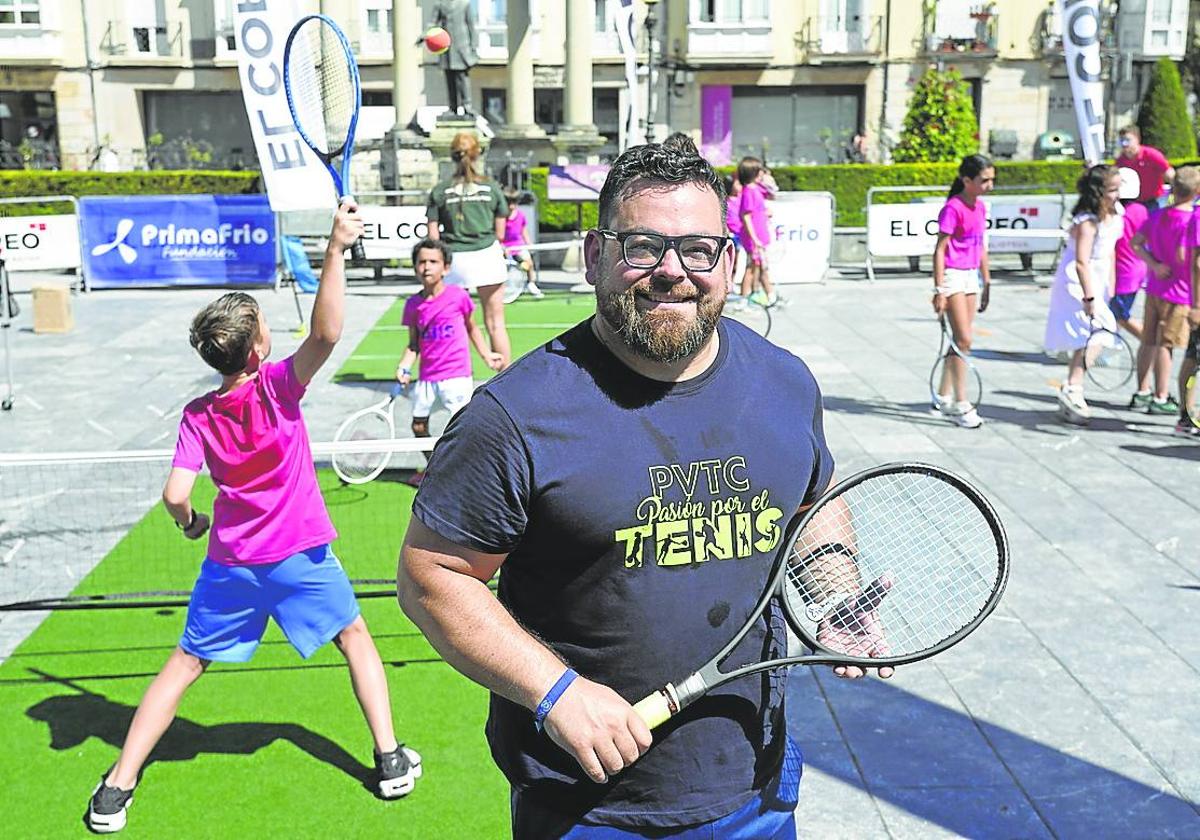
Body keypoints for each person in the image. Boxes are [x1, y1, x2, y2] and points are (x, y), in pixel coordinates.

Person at [397, 143, 892, 839]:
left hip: (759, 788)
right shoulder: (515, 415)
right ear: (597, 255)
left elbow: (810, 496)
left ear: (727, 259)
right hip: (591, 812)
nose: (672, 272)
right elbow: (432, 576)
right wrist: (557, 693)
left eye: (698, 249)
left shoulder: (784, 382)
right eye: (644, 246)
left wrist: (832, 589)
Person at [85, 205, 422, 834]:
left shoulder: (197, 414)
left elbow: (175, 494)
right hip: (300, 558)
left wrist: (191, 524)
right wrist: (336, 250)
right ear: (260, 347)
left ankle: (115, 787)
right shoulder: (276, 388)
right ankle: (389, 759)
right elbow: (324, 337)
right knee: (355, 639)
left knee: (184, 664)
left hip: (231, 564)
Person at [397, 238, 503, 487]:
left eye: (433, 262)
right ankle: (435, 469)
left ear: (445, 268)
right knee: (418, 426)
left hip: (456, 376)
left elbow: (471, 328)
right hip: (427, 378)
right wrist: (404, 366)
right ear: (415, 267)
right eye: (421, 262)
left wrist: (487, 355)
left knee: (464, 428)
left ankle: (470, 472)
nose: (426, 267)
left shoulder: (458, 297)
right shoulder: (413, 305)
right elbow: (413, 344)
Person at [1043, 164, 1124, 425]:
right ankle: (1073, 386)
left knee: (1090, 336)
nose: (1117, 194)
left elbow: (1110, 251)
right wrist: (1089, 296)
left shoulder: (1114, 214)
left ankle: (1073, 387)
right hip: (1077, 283)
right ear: (1098, 192)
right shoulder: (1087, 221)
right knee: (1098, 333)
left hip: (1097, 280)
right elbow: (1081, 262)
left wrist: (1109, 284)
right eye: (1112, 190)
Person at [427, 131, 512, 367]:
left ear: (452, 156)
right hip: (487, 255)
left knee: (456, 323)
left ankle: (457, 374)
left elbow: (433, 237)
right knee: (496, 323)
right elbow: (502, 233)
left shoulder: (440, 190)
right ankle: (504, 380)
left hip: (455, 260)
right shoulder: (492, 188)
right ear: (476, 155)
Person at [1130, 165, 1200, 417]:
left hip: (1156, 286)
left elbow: (1136, 243)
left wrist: (1154, 264)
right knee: (1166, 345)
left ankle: (1142, 390)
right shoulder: (1191, 220)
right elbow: (1185, 257)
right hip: (1180, 291)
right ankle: (1161, 395)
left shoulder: (1160, 214)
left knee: (1147, 339)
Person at [931, 154, 994, 429]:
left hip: (971, 277)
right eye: (984, 180)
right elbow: (940, 249)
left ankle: (943, 395)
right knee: (964, 339)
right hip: (953, 275)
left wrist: (987, 280)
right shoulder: (952, 208)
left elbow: (981, 246)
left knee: (959, 339)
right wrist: (939, 288)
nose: (989, 185)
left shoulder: (980, 207)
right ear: (967, 180)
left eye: (992, 179)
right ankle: (961, 402)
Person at [1111, 167, 1149, 341]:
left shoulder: (1116, 212)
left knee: (1120, 314)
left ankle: (1151, 342)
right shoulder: (1141, 209)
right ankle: (1110, 344)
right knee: (1116, 313)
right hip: (1138, 267)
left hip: (1122, 270)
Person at [736, 155, 778, 307]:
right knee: (752, 268)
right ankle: (744, 299)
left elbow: (773, 195)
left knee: (760, 266)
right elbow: (746, 216)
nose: (762, 173)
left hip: (759, 235)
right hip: (754, 238)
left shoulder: (757, 189)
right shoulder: (748, 191)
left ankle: (769, 295)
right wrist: (755, 239)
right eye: (759, 170)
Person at [433, 0, 480, 117]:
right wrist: (425, 35)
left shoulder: (465, 4)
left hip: (462, 47)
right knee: (449, 78)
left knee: (462, 77)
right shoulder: (440, 4)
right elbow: (432, 24)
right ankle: (452, 107)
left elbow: (472, 27)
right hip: (447, 48)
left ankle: (467, 105)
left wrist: (473, 48)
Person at [1115, 125, 1175, 207]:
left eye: (1127, 140)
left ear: (1138, 139)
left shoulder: (1152, 155)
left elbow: (1170, 174)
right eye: (1121, 140)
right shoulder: (1120, 161)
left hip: (1154, 201)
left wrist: (1176, 194)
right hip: (1131, 203)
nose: (1124, 144)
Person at [501, 187, 544, 299]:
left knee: (528, 263)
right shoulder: (501, 217)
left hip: (518, 246)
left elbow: (523, 231)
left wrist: (529, 244)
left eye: (514, 203)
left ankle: (531, 284)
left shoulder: (520, 215)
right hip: (504, 248)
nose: (511, 206)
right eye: (508, 203)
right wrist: (502, 247)